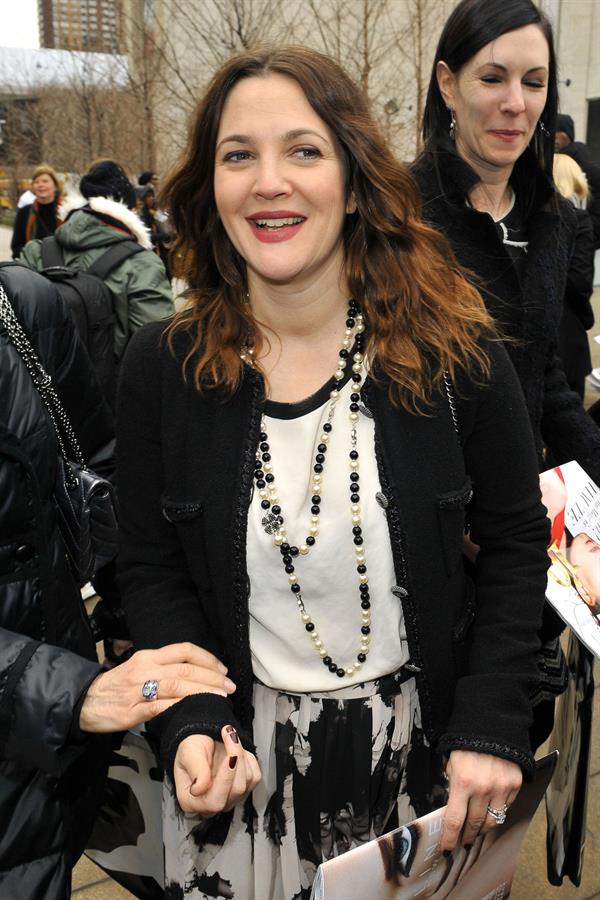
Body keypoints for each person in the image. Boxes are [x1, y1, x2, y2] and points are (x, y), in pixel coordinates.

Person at [116, 46, 550, 899]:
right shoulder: (160, 367)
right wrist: (191, 718)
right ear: (210, 189)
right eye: (238, 155)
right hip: (242, 779)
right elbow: (150, 565)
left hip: (427, 776)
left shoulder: (456, 353)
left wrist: (494, 723)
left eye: (304, 150)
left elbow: (514, 539)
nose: (268, 181)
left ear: (355, 182)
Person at [0, 262, 235, 898]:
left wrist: (133, 622)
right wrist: (65, 694)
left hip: (53, 764)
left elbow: (98, 472)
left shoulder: (20, 304)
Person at [412, 0, 600, 745]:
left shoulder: (553, 221)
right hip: (419, 545)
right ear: (448, 84)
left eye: (534, 81)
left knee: (513, 746)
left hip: (522, 545)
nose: (516, 103)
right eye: (493, 77)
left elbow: (547, 380)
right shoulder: (397, 216)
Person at [21, 159, 174, 364]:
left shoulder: (36, 251)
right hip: (113, 392)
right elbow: (157, 350)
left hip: (41, 389)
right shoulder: (142, 263)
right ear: (129, 210)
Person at [552, 153, 595, 399]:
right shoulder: (579, 221)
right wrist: (586, 318)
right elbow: (580, 280)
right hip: (567, 333)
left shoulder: (530, 219)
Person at [555, 112, 600, 249]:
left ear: (569, 135)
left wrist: (583, 239)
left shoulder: (591, 172)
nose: (554, 136)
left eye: (560, 131)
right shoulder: (544, 164)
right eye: (551, 130)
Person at [11, 163, 62, 259]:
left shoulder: (66, 211)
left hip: (61, 268)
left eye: (45, 181)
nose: (40, 185)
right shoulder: (24, 212)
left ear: (55, 185)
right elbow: (16, 246)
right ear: (33, 187)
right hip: (32, 268)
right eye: (36, 182)